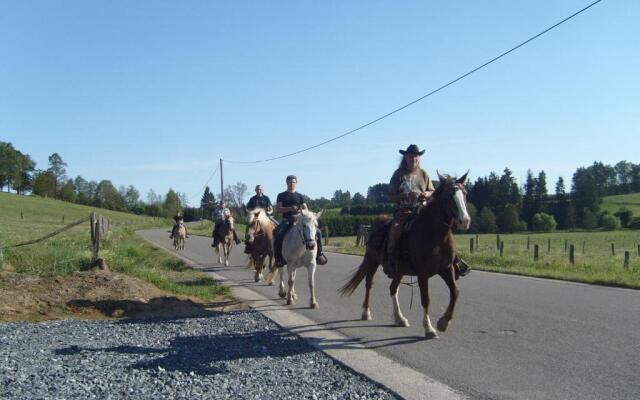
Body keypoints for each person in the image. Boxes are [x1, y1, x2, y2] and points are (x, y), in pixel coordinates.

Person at [385, 144, 471, 278]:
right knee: (396, 228)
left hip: (422, 208)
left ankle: (453, 258)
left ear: (419, 158)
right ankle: (391, 259)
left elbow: (432, 191)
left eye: (416, 156)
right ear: (406, 157)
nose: (413, 158)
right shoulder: (398, 174)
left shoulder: (423, 173)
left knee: (441, 228)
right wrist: (406, 195)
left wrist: (424, 193)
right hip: (404, 210)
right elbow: (390, 196)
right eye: (410, 156)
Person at [273, 175, 327, 268]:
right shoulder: (281, 195)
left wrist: (303, 209)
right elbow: (278, 209)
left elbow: (305, 208)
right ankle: (279, 258)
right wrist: (290, 208)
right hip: (287, 219)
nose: (292, 184)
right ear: (287, 183)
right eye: (290, 182)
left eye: (294, 182)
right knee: (278, 232)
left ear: (296, 183)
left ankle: (319, 254)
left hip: (300, 219)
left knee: (317, 231)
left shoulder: (300, 196)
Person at [244, 185, 277, 254]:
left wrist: (269, 212)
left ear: (262, 190)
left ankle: (275, 243)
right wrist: (251, 212)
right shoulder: (252, 199)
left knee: (276, 225)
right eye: (258, 189)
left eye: (260, 189)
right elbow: (248, 208)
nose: (259, 191)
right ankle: (248, 245)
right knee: (249, 227)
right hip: (255, 217)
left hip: (265, 217)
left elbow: (271, 209)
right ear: (255, 190)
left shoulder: (266, 198)